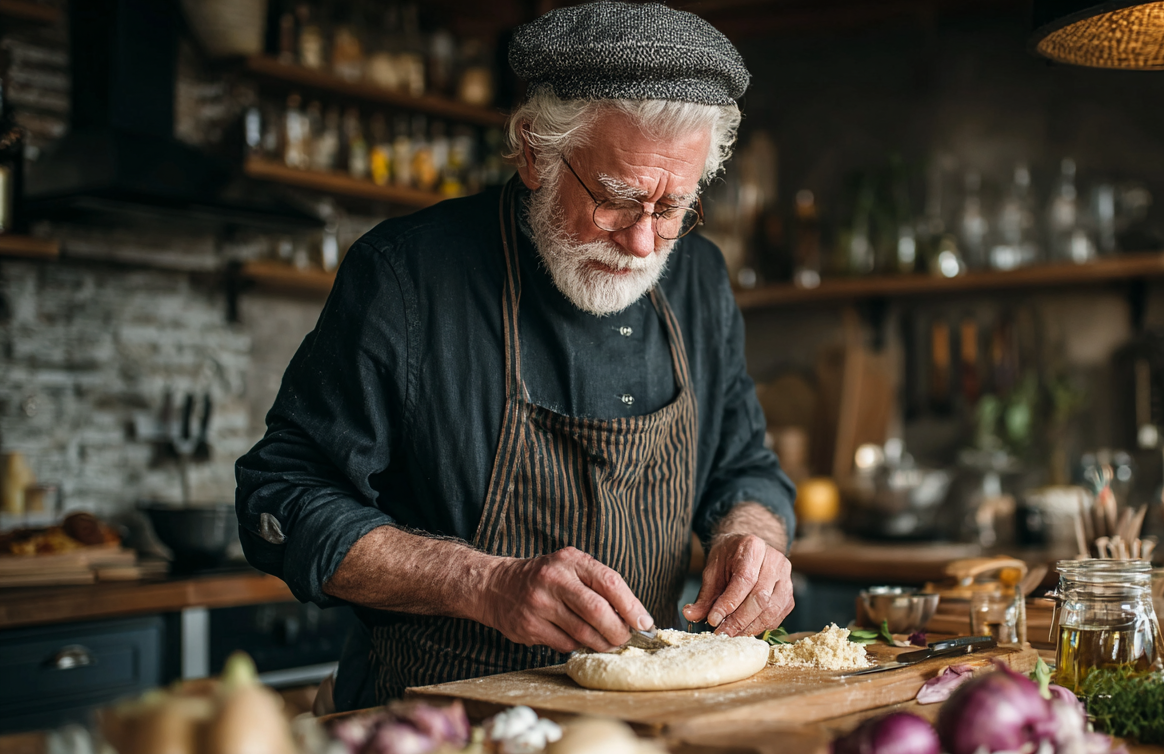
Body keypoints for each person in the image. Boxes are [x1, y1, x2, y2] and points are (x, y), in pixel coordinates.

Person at [235, 2, 796, 709]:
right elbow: (281, 497)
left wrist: (751, 536)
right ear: (534, 152)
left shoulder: (700, 281)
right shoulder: (405, 276)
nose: (642, 243)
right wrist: (482, 583)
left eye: (672, 208)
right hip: (438, 724)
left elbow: (745, 469)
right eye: (617, 200)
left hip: (639, 729)